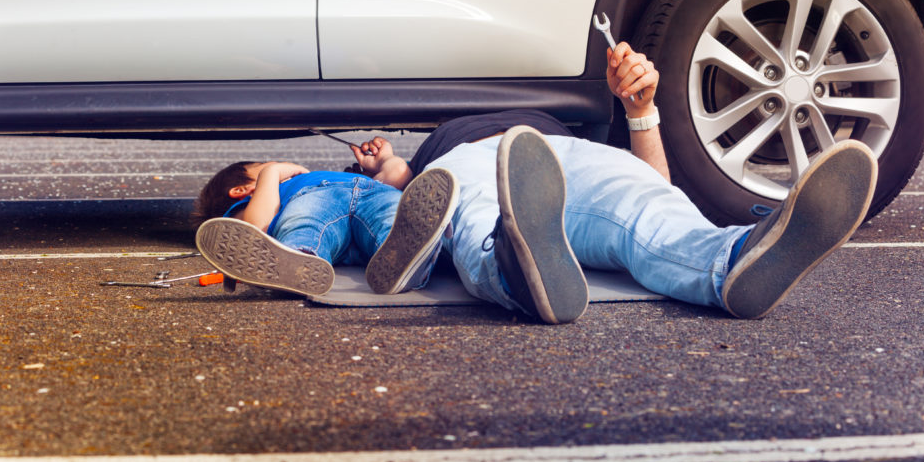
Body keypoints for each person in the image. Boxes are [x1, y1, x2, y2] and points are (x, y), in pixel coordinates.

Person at [351, 42, 877, 324]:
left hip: (563, 156)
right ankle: (517, 266)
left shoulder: (567, 125)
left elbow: (654, 181)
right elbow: (423, 205)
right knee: (476, 221)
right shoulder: (445, 143)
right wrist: (387, 169)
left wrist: (640, 110)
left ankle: (735, 258)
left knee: (645, 205)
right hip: (471, 163)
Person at [191, 159, 459, 297]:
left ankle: (406, 260)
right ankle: (300, 259)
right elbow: (255, 226)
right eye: (262, 166)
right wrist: (271, 173)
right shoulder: (266, 193)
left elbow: (398, 174)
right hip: (317, 198)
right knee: (305, 221)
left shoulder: (350, 175)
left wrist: (384, 160)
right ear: (241, 190)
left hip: (373, 195)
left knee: (394, 216)